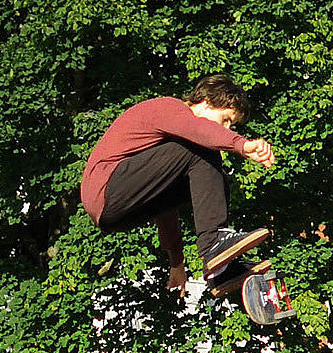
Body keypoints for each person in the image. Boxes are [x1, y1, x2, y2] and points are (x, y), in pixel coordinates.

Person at [81, 75, 275, 293]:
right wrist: (242, 145)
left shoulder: (170, 152)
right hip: (107, 187)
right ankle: (213, 243)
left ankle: (220, 270)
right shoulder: (168, 108)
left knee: (214, 176)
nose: (228, 129)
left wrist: (176, 261)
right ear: (207, 102)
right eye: (226, 120)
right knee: (203, 147)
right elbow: (200, 130)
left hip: (117, 212)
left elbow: (164, 206)